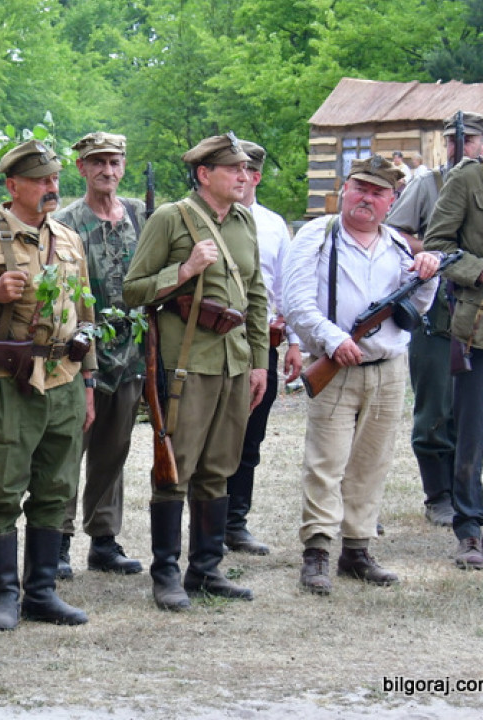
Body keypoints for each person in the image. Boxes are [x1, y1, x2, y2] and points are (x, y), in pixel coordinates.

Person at [0, 139, 97, 632]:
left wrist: (89, 380)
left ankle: (42, 592)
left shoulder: (69, 238)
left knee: (57, 487)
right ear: (13, 186)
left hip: (65, 378)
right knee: (4, 487)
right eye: (42, 180)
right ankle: (6, 593)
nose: (52, 188)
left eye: (54, 179)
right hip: (10, 380)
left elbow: (86, 311)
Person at [123, 132, 269, 611]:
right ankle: (165, 572)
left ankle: (205, 569)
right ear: (205, 174)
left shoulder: (245, 221)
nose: (245, 178)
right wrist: (183, 271)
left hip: (233, 363)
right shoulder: (171, 218)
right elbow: (132, 291)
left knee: (219, 469)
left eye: (247, 170)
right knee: (176, 470)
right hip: (185, 365)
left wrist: (259, 362)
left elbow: (256, 296)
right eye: (235, 170)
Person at [284, 156, 439, 595]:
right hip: (336, 369)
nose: (366, 199)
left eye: (377, 193)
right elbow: (295, 301)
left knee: (373, 463)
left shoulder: (399, 247)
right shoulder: (318, 235)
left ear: (391, 201)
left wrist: (427, 275)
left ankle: (357, 549)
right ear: (345, 189)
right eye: (359, 188)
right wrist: (332, 340)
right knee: (326, 464)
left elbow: (416, 311)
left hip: (388, 369)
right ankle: (316, 553)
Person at [52, 131, 145, 577]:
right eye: (98, 163)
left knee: (114, 450)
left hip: (130, 357)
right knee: (69, 449)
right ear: (82, 168)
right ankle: (58, 540)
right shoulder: (66, 221)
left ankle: (104, 539)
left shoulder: (140, 215)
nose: (108, 171)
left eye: (115, 162)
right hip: (79, 355)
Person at [386, 111, 483, 528]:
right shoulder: (431, 183)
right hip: (435, 309)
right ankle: (440, 495)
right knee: (436, 407)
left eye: (469, 140)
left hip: (469, 306)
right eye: (453, 141)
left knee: (469, 413)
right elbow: (395, 232)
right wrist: (430, 251)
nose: (459, 147)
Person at [224, 140, 303, 555]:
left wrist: (293, 342)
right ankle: (207, 521)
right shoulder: (205, 217)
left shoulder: (273, 225)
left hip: (261, 342)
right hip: (214, 340)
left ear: (255, 176)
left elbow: (285, 291)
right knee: (209, 436)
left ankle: (235, 521)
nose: (241, 177)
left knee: (250, 438)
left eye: (246, 170)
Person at [423, 130, 483, 570]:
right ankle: (470, 530)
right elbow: (438, 245)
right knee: (472, 437)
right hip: (478, 329)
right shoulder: (468, 180)